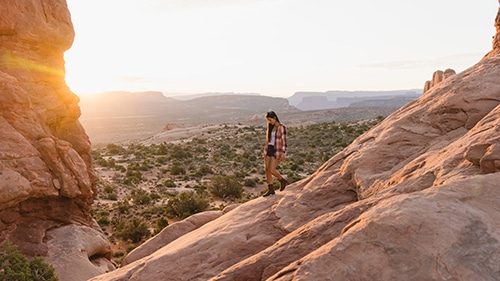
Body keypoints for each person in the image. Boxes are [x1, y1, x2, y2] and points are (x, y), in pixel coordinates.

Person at [262, 111, 288, 197]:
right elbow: (268, 141)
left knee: (271, 170)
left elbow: (284, 141)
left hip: (276, 150)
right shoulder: (270, 127)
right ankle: (271, 189)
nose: (269, 122)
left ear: (275, 118)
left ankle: (282, 180)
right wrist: (265, 151)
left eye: (270, 120)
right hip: (268, 148)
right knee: (266, 169)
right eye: (268, 120)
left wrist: (283, 152)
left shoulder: (281, 127)